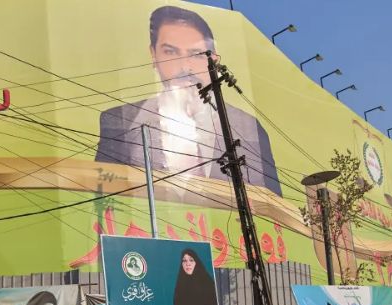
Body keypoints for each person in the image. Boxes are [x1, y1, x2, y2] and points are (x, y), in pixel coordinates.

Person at [95, 5, 282, 197]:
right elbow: (103, 202)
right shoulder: (120, 120)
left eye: (197, 54)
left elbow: (274, 206)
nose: (185, 66)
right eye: (171, 52)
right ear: (153, 55)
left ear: (215, 61)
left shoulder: (249, 128)